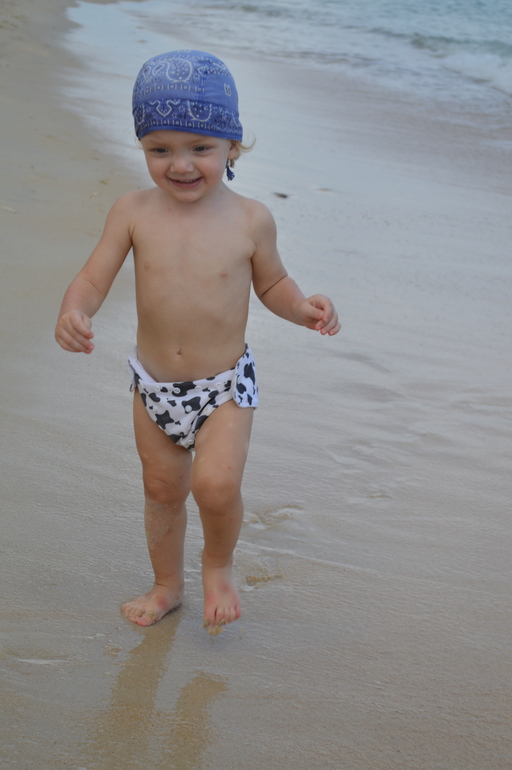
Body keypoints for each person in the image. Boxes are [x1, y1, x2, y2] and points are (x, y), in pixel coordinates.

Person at [55, 50, 340, 634]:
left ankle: (218, 566)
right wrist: (74, 310)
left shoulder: (251, 220)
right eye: (160, 149)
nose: (180, 165)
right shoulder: (132, 212)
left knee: (215, 485)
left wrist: (302, 308)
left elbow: (273, 285)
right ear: (142, 145)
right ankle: (166, 585)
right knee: (161, 490)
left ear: (232, 146)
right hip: (154, 387)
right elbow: (93, 278)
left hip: (224, 386)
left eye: (200, 148)